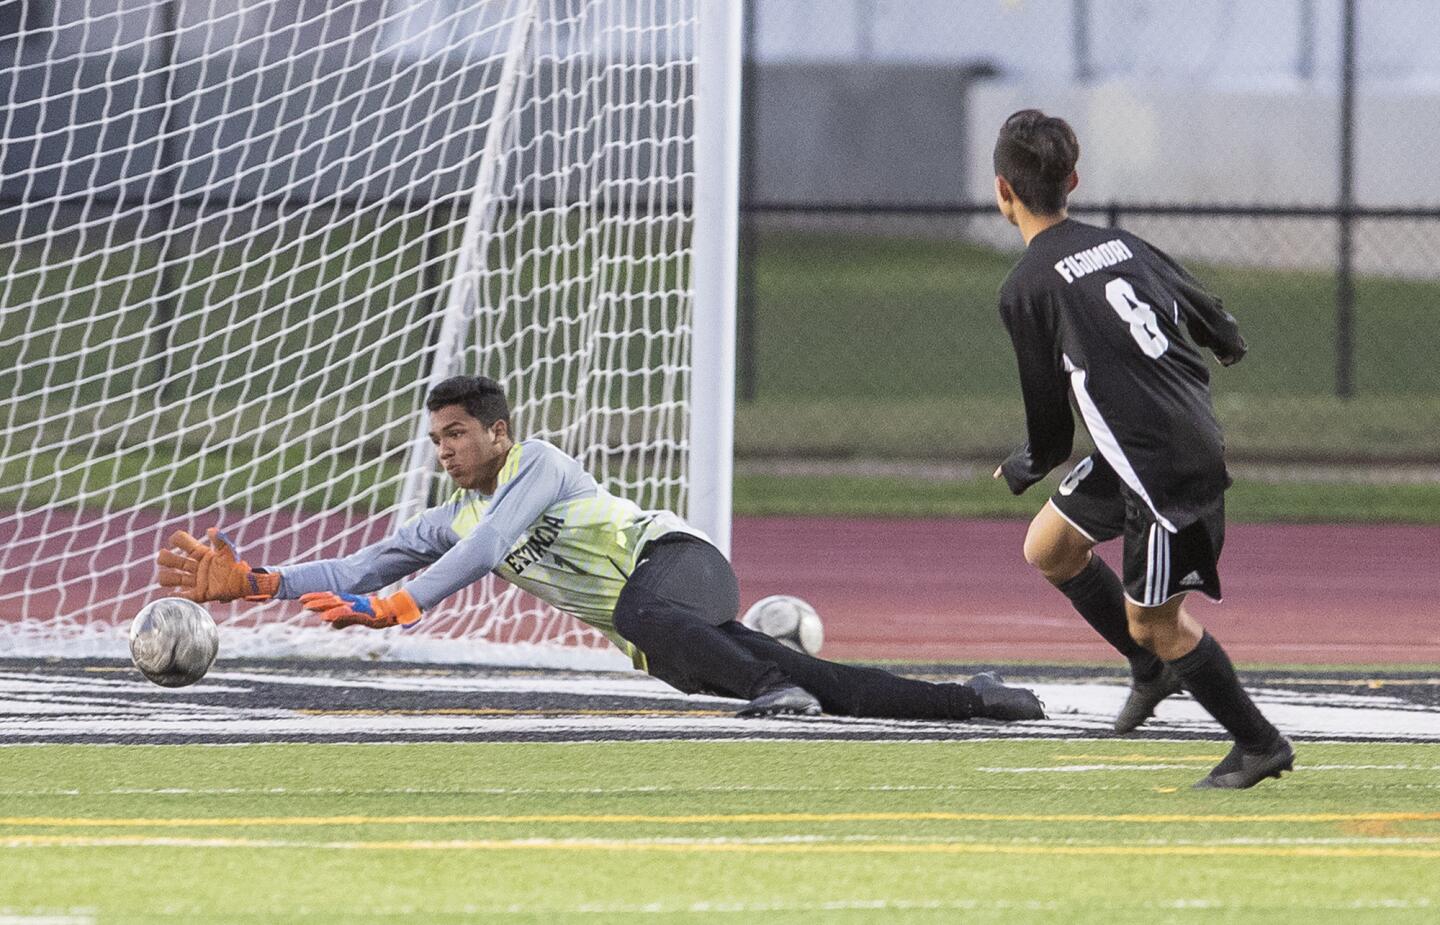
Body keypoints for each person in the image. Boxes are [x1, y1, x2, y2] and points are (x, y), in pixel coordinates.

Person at [156, 375, 1043, 723]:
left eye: (459, 433)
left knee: (655, 619)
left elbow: (496, 540)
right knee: (829, 685)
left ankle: (778, 687)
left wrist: (405, 604)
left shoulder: (537, 463)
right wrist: (257, 580)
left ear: (500, 433)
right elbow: (354, 570)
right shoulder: (443, 523)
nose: (446, 449)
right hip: (656, 627)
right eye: (437, 438)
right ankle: (979, 701)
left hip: (679, 564)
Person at [988, 109, 1292, 789]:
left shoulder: (1027, 286)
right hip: (1150, 442)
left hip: (1162, 468)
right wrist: (1225, 339)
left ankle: (1258, 742)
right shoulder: (1120, 244)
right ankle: (1150, 671)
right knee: (1050, 547)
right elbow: (1205, 309)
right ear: (1073, 179)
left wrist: (1025, 466)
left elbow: (1050, 426)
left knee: (1156, 621)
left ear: (1003, 191)